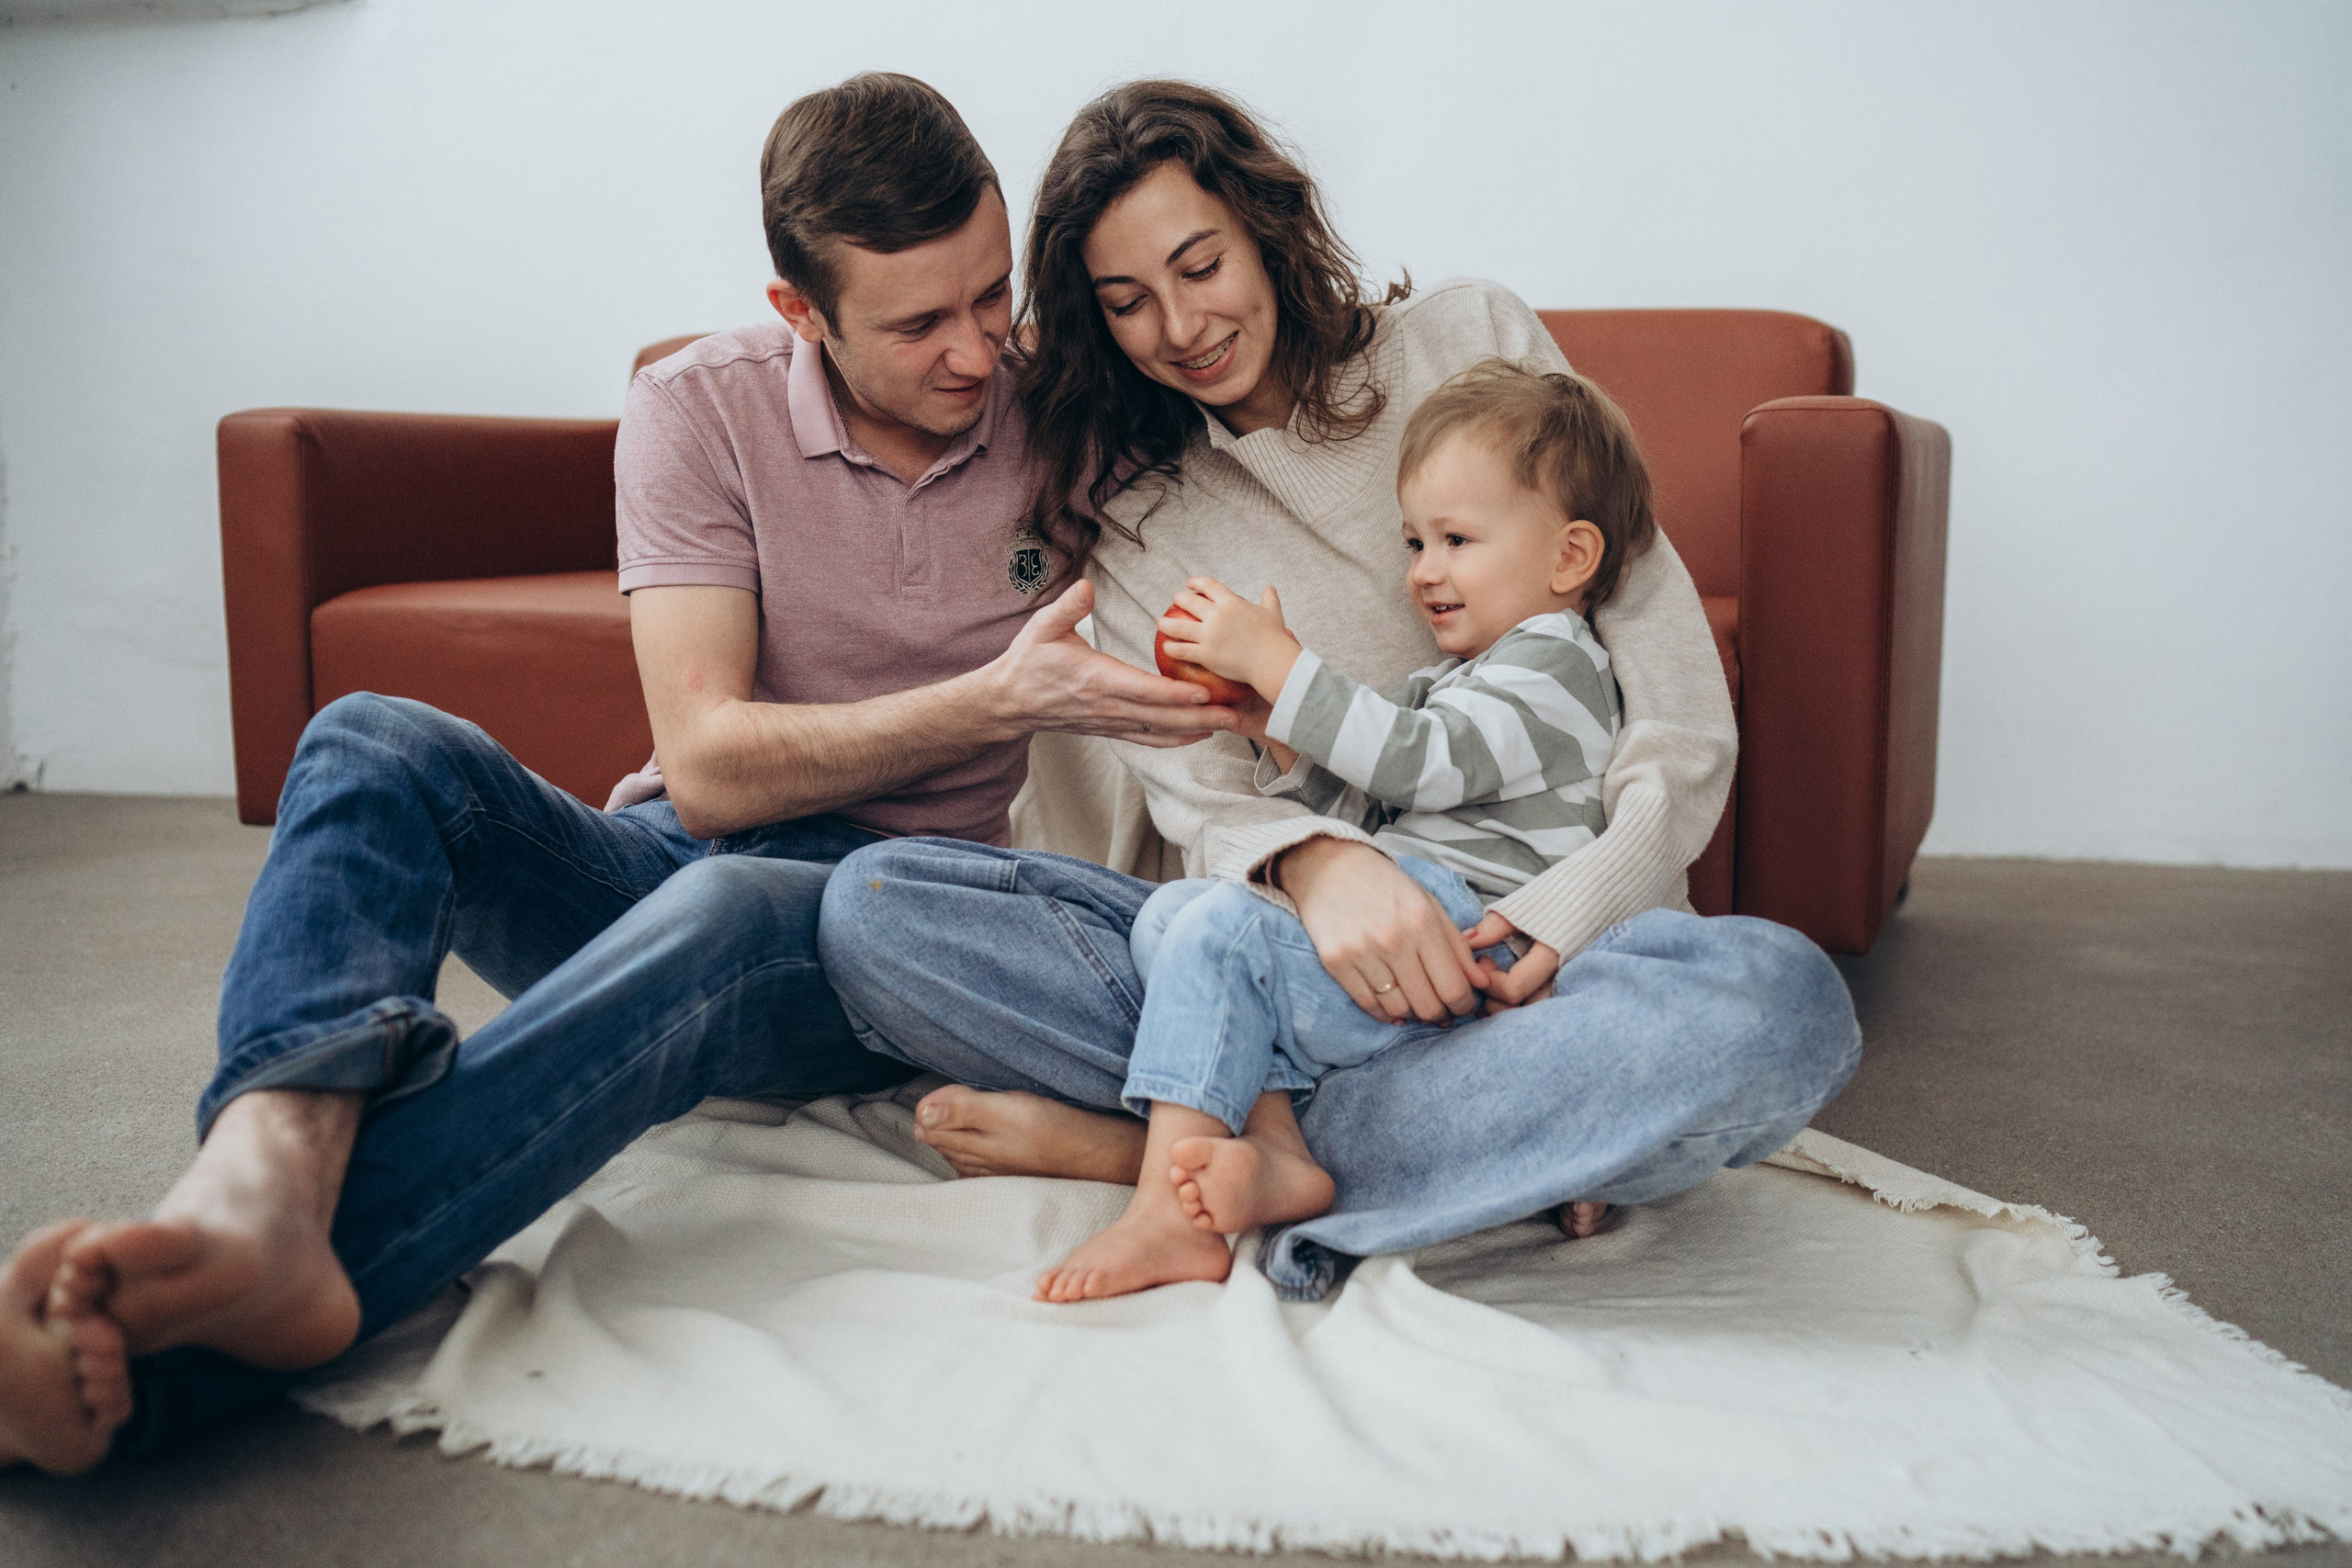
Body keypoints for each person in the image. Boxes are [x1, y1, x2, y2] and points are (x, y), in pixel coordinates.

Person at [0, 73, 1233, 1476]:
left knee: (723, 919)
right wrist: (997, 697)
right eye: (918, 322)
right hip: (671, 854)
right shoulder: (696, 408)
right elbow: (707, 772)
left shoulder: (1067, 415)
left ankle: (169, 1376)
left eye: (989, 294)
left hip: (891, 920)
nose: (974, 351)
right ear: (800, 314)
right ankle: (261, 1176)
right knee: (368, 739)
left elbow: (1287, 428)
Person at [819, 79, 1862, 1303]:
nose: (1180, 325)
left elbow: (1674, 696)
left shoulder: (1475, 341)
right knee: (877, 909)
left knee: (1785, 1004)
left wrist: (1568, 911)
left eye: (1201, 263)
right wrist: (1319, 865)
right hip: (1315, 966)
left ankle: (1184, 1145)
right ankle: (1517, 1144)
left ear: (1265, 225)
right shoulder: (1145, 512)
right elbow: (1204, 804)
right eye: (1127, 303)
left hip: (1558, 969)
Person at [1035, 363, 1645, 1303]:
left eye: (1455, 539)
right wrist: (1273, 727)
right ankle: (1278, 1152)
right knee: (1176, 914)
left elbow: (1410, 761)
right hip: (1410, 924)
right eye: (1413, 542)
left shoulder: (1555, 670)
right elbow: (1363, 809)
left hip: (1472, 941)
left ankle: (1166, 1210)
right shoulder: (1457, 680)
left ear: (1568, 559)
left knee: (1217, 930)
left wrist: (1286, 667)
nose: (1424, 571)